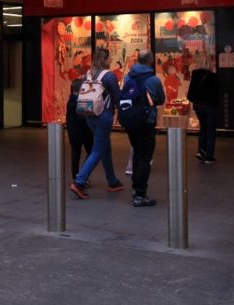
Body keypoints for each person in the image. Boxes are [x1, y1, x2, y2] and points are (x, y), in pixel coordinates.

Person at [69, 47, 126, 199]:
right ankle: (79, 182)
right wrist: (124, 114)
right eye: (110, 57)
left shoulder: (89, 74)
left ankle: (112, 181)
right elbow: (117, 97)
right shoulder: (109, 76)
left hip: (90, 115)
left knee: (104, 148)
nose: (112, 59)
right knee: (98, 150)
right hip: (103, 116)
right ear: (106, 59)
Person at [121, 49, 166, 207]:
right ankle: (140, 194)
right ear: (150, 60)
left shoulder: (128, 76)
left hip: (131, 121)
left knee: (137, 153)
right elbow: (161, 99)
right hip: (147, 121)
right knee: (145, 157)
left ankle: (136, 188)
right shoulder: (153, 80)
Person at [188, 66, 220, 165]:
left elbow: (191, 92)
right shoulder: (213, 77)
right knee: (210, 130)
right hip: (210, 106)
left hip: (198, 105)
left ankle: (201, 151)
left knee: (203, 128)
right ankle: (209, 156)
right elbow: (217, 92)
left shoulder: (195, 75)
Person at [64, 77, 93, 184]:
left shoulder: (70, 100)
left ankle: (76, 175)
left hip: (73, 132)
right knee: (91, 152)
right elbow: (85, 117)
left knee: (75, 153)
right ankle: (82, 175)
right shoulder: (81, 101)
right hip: (83, 132)